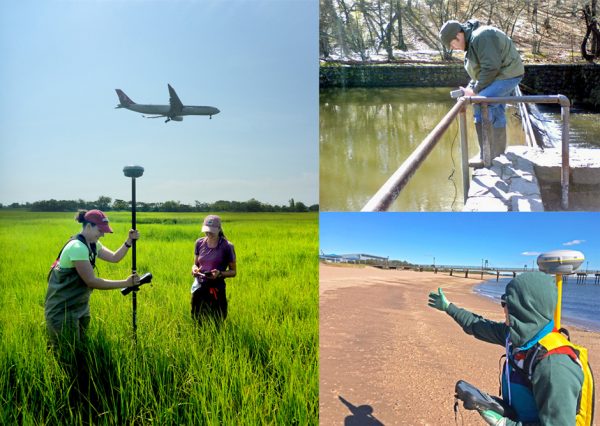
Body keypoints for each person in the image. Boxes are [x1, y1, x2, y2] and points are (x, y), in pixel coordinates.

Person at [428, 272, 592, 425]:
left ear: (526, 307)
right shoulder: (515, 337)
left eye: (507, 302)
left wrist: (505, 423)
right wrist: (448, 307)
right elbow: (477, 325)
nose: (503, 306)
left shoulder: (554, 366)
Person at [45, 209, 140, 346]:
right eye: (100, 231)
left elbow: (114, 258)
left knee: (81, 349)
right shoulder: (77, 247)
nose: (102, 235)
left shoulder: (93, 244)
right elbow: (91, 281)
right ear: (89, 226)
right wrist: (126, 283)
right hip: (62, 310)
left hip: (80, 305)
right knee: (66, 353)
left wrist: (129, 241)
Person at [439, 19, 525, 162]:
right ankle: (498, 152)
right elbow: (480, 73)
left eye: (452, 44)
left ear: (458, 36)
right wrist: (470, 88)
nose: (453, 48)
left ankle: (486, 155)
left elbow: (491, 67)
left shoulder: (481, 36)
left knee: (480, 103)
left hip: (508, 74)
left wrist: (475, 91)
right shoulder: (473, 42)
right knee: (496, 110)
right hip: (501, 75)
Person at [190, 214, 236, 324]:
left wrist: (219, 273)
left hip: (217, 288)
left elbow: (233, 272)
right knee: (197, 318)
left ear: (219, 229)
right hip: (200, 287)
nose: (208, 233)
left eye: (212, 231)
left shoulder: (227, 246)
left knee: (217, 320)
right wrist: (194, 269)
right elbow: (195, 264)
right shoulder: (199, 243)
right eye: (206, 230)